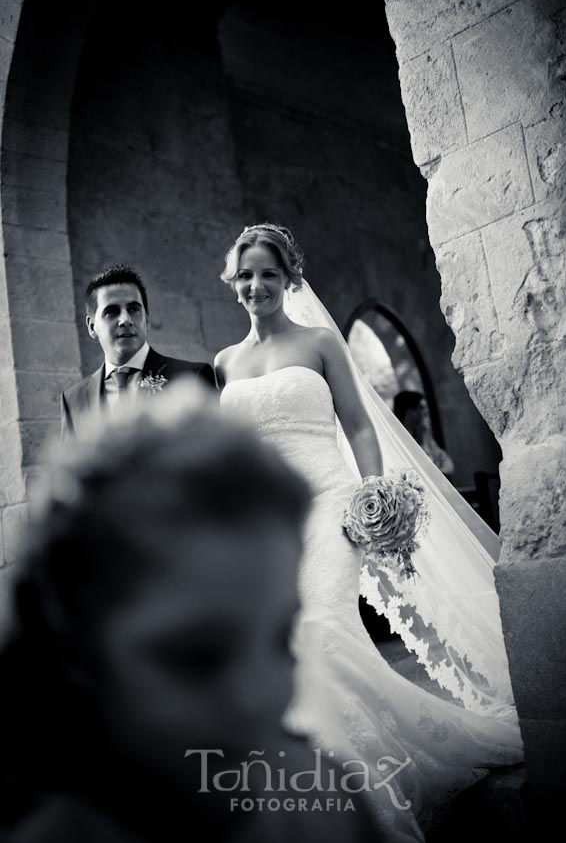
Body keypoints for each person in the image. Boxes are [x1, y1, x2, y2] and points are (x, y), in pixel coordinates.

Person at [215, 224, 524, 842]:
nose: (256, 285)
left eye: (267, 273)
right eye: (245, 274)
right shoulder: (225, 364)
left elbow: (357, 426)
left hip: (331, 503)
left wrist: (370, 494)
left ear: (288, 278)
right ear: (233, 282)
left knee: (322, 627)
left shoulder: (321, 341)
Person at [0, 382, 381, 843]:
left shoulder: (325, 803)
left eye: (280, 638)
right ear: (76, 649)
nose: (260, 697)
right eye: (197, 657)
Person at [61, 264, 214, 437]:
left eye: (133, 309)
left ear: (147, 319)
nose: (125, 320)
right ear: (91, 327)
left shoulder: (192, 377)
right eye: (112, 311)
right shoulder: (73, 399)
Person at [394, 391, 454, 478]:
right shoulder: (398, 440)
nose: (426, 411)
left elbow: (448, 465)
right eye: (421, 408)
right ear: (410, 413)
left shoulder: (425, 435)